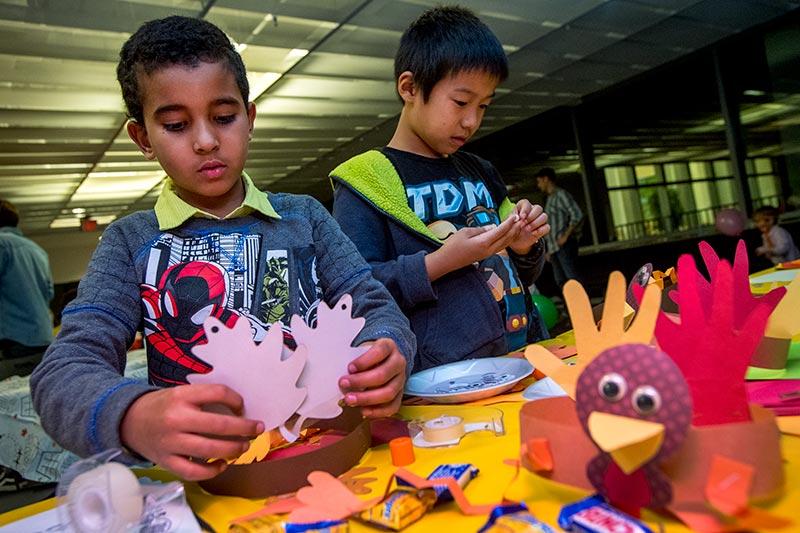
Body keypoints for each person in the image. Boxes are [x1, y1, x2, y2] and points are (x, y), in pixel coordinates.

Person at [30, 16, 415, 482]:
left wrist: (387, 349)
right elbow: (64, 371)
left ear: (249, 119)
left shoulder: (304, 217)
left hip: (335, 462)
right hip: (213, 489)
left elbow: (375, 304)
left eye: (224, 118)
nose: (206, 141)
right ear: (142, 139)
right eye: (174, 124)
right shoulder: (129, 242)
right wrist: (135, 416)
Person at [330, 6, 551, 372]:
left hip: (526, 354)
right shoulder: (366, 181)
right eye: (461, 102)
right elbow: (356, 293)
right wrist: (440, 262)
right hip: (446, 379)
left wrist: (525, 245)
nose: (471, 121)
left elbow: (522, 274)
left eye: (483, 106)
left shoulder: (481, 170)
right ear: (410, 87)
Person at [0, 199, 54, 361]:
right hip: (43, 336)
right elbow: (49, 293)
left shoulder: (2, 244)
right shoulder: (36, 249)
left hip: (13, 339)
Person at [535, 167, 584, 288]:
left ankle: (582, 305)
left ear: (546, 179)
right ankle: (570, 306)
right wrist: (548, 250)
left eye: (539, 181)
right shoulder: (549, 198)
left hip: (564, 244)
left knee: (572, 277)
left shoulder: (561, 194)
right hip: (554, 247)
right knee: (561, 280)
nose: (539, 185)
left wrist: (566, 235)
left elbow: (577, 214)